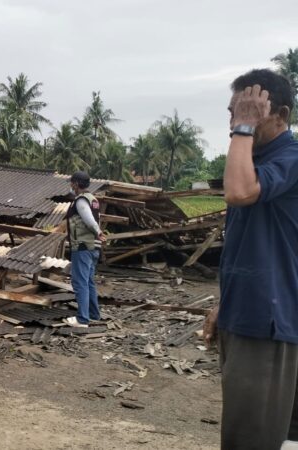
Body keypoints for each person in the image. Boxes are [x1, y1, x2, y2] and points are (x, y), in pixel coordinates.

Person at [202, 68, 298, 449]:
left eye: (250, 111)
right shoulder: (252, 163)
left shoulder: (290, 159)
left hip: (269, 323)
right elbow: (253, 248)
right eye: (233, 112)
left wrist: (243, 129)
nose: (236, 121)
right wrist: (226, 303)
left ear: (282, 116)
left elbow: (240, 192)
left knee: (251, 440)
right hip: (253, 313)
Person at [62, 171, 105, 328]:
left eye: (72, 183)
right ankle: (93, 314)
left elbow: (88, 219)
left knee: (80, 282)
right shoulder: (93, 199)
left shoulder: (80, 201)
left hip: (82, 246)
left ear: (76, 184)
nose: (71, 186)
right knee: (88, 281)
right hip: (93, 246)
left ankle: (82, 319)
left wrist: (98, 232)